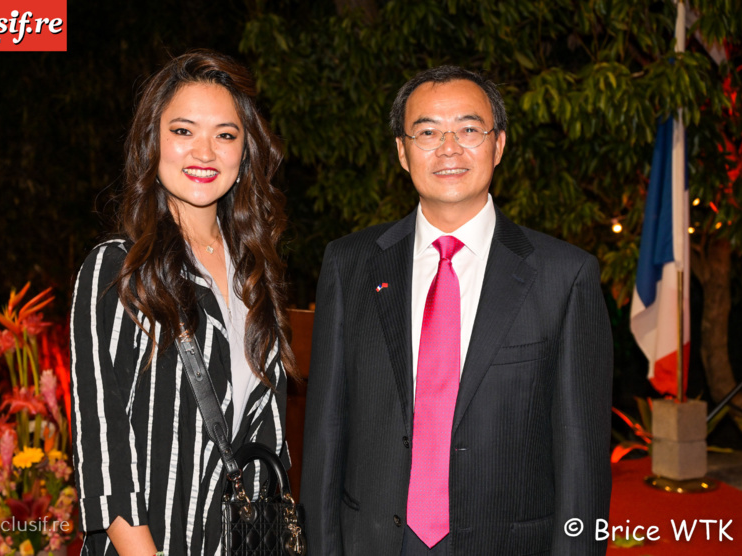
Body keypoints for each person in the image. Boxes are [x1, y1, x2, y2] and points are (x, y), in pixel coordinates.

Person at [301, 65, 613, 555]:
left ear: (499, 144)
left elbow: (583, 458)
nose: (449, 148)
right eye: (427, 132)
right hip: (375, 540)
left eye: (469, 129)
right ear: (402, 151)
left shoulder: (565, 276)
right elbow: (325, 432)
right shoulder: (350, 264)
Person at [69, 49, 298, 556]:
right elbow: (103, 449)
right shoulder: (118, 270)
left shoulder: (255, 274)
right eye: (183, 131)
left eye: (225, 135)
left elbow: (270, 440)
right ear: (152, 143)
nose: (205, 152)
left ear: (245, 152)